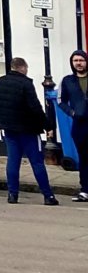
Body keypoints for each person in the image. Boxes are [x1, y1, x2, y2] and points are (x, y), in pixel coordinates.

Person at [0, 57, 59, 205]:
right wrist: (48, 126)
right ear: (22, 68)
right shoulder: (26, 84)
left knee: (13, 161)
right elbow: (35, 107)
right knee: (37, 162)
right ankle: (48, 196)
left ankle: (12, 194)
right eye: (26, 68)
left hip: (8, 128)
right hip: (29, 130)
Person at [60, 50, 88, 205]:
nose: (78, 63)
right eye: (75, 60)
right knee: (84, 158)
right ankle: (85, 190)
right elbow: (60, 100)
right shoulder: (67, 81)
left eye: (81, 60)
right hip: (80, 125)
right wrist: (71, 112)